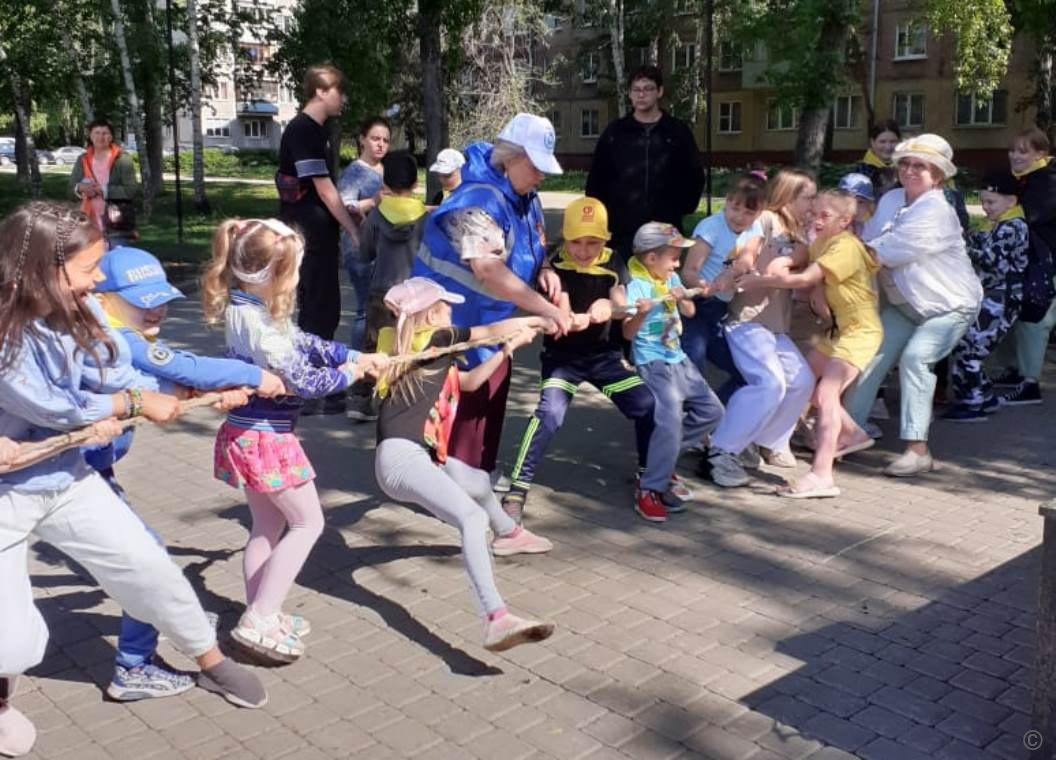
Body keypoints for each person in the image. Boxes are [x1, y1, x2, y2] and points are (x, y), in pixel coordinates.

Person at [1, 204, 267, 757]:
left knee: (148, 568)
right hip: (7, 494)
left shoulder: (82, 309)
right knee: (11, 636)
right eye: (89, 267)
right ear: (44, 271)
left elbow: (119, 368)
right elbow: (55, 407)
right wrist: (137, 401)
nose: (99, 278)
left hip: (65, 477)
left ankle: (210, 663)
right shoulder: (8, 334)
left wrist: (182, 396)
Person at [87, 246, 286, 700]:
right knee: (148, 560)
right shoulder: (113, 335)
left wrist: (200, 390)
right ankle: (135, 664)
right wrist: (251, 375)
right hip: (61, 477)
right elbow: (179, 367)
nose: (156, 306)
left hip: (89, 474)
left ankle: (164, 624)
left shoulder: (118, 334)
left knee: (145, 560)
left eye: (161, 297)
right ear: (104, 298)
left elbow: (161, 382)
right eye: (142, 299)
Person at [201, 218, 387, 662]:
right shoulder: (260, 327)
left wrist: (351, 353)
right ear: (275, 275)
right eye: (295, 270)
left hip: (250, 433)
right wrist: (350, 372)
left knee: (267, 527)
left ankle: (259, 609)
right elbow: (305, 380)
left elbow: (303, 341)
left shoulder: (247, 307)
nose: (300, 277)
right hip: (267, 439)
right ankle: (261, 616)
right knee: (309, 523)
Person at [373, 277, 555, 651]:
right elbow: (488, 329)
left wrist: (506, 351)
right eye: (446, 307)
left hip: (410, 458)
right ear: (431, 315)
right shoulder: (437, 340)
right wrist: (539, 318)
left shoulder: (411, 347)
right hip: (403, 458)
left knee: (471, 479)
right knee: (472, 519)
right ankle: (496, 618)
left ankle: (510, 533)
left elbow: (470, 383)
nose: (453, 312)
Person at [412, 112, 572, 478]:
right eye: (535, 166)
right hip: (454, 327)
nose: (541, 175)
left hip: (491, 324)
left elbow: (531, 242)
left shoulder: (524, 193)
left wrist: (545, 270)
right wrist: (546, 310)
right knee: (461, 413)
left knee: (490, 404)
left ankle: (478, 478)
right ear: (512, 157)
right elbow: (486, 268)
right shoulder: (477, 201)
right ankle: (457, 490)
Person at [501, 198, 660, 524]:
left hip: (605, 359)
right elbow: (561, 308)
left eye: (593, 242)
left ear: (606, 239)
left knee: (646, 404)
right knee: (550, 414)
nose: (584, 250)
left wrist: (619, 309)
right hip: (563, 358)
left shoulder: (615, 261)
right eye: (576, 242)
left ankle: (649, 480)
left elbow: (621, 314)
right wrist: (573, 316)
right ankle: (518, 488)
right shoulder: (554, 265)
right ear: (565, 238)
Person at [845, 134, 982, 476]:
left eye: (920, 165)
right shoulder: (892, 198)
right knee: (869, 359)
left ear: (938, 175)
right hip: (904, 304)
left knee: (916, 358)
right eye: (905, 163)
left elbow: (880, 252)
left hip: (948, 305)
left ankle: (918, 451)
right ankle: (845, 434)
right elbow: (868, 240)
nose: (909, 170)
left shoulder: (937, 210)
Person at [738, 190, 881, 498]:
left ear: (844, 221)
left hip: (860, 332)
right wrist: (787, 260)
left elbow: (804, 279)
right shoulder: (824, 238)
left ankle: (822, 475)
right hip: (839, 329)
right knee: (805, 379)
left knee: (827, 393)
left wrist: (761, 281)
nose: (815, 220)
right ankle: (853, 434)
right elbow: (807, 254)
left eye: (824, 216)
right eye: (813, 212)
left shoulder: (844, 246)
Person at [704, 169, 818, 487]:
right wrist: (750, 267)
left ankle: (763, 439)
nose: (814, 202)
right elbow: (748, 248)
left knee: (801, 380)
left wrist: (786, 263)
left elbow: (801, 253)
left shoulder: (798, 230)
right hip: (747, 320)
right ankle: (720, 451)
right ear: (789, 197)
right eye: (809, 196)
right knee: (769, 383)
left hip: (774, 325)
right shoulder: (766, 218)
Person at [623, 222, 723, 523]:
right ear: (651, 259)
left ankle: (661, 462)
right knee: (668, 422)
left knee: (713, 411)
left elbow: (689, 313)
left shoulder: (671, 277)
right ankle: (650, 488)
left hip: (678, 357)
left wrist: (682, 297)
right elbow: (627, 335)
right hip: (652, 362)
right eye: (673, 257)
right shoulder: (637, 287)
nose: (677, 263)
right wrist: (640, 312)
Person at [276, 64, 360, 415]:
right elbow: (324, 190)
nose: (344, 99)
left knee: (316, 308)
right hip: (310, 230)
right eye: (340, 92)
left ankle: (312, 386)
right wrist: (351, 228)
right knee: (320, 308)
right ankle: (314, 388)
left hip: (310, 228)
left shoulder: (311, 130)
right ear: (322, 91)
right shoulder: (305, 130)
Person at [585, 65, 705, 270]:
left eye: (648, 88)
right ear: (630, 94)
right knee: (622, 290)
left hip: (665, 229)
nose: (641, 94)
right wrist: (601, 221)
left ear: (659, 91)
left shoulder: (677, 132)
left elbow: (694, 176)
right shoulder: (615, 133)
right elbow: (597, 179)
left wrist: (679, 209)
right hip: (621, 231)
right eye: (636, 89)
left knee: (662, 289)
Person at [941, 169, 1029, 422]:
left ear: (1011, 201)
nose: (985, 207)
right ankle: (984, 397)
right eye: (983, 202)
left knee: (970, 349)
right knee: (967, 345)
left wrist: (962, 241)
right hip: (994, 296)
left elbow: (991, 260)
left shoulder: (1012, 227)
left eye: (991, 202)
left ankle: (973, 404)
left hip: (1001, 300)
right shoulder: (1005, 224)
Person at [346, 150, 426, 423]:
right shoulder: (424, 217)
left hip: (382, 291)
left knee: (374, 345)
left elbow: (365, 254)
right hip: (416, 294)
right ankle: (404, 401)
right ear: (415, 184)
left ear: (385, 184)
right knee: (410, 345)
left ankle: (361, 398)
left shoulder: (378, 217)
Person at [681, 174, 766, 395]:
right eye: (735, 208)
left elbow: (747, 258)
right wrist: (705, 286)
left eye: (749, 212)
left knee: (744, 372)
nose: (740, 217)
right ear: (727, 201)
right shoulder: (711, 227)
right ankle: (693, 417)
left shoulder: (754, 228)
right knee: (694, 360)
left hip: (719, 310)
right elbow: (688, 271)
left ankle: (715, 412)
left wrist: (731, 273)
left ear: (759, 212)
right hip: (698, 305)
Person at [991, 127, 1056, 406]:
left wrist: (1003, 208)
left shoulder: (1047, 180)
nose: (1015, 156)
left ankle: (1030, 383)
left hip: (1045, 260)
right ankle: (1013, 370)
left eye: (1023, 151)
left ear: (1040, 153)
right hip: (1023, 258)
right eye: (1013, 150)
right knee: (1012, 312)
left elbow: (1032, 215)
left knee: (1036, 318)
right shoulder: (1022, 180)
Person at [337, 115, 392, 352]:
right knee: (364, 311)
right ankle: (358, 371)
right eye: (375, 139)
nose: (380, 144)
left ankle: (375, 365)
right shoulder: (355, 171)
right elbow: (344, 205)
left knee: (382, 310)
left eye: (385, 140)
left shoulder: (385, 169)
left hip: (385, 249)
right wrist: (371, 201)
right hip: (359, 248)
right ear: (362, 140)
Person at [68, 118, 140, 247]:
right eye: (97, 133)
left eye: (105, 133)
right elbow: (71, 188)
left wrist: (102, 190)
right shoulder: (82, 159)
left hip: (116, 222)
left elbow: (131, 190)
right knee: (90, 264)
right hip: (87, 223)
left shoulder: (122, 159)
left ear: (111, 137)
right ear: (90, 136)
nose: (101, 137)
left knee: (116, 261)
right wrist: (80, 188)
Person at [855, 120, 901, 202]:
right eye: (882, 142)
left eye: (893, 141)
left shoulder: (906, 169)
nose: (888, 147)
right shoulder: (862, 171)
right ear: (872, 142)